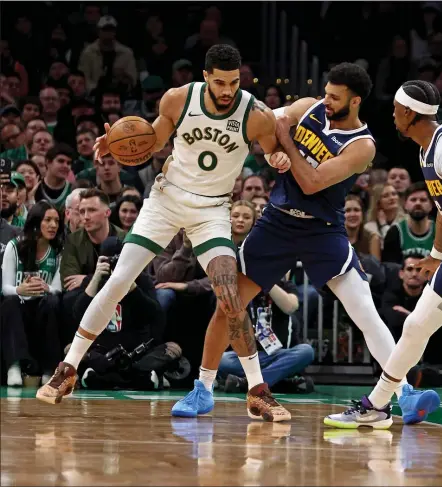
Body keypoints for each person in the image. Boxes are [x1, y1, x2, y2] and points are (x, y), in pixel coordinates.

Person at [37, 44, 292, 422]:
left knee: (229, 293)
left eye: (233, 83)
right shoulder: (177, 99)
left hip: (211, 210)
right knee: (119, 279)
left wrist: (278, 158)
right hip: (166, 200)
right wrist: (117, 148)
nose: (227, 90)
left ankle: (257, 391)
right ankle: (68, 368)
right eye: (220, 82)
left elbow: (271, 150)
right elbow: (153, 141)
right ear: (205, 77)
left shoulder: (255, 114)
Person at [173, 62, 412, 421]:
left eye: (335, 97)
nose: (326, 100)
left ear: (356, 101)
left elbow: (312, 181)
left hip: (322, 230)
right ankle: (202, 389)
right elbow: (266, 122)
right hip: (277, 224)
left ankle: (403, 390)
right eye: (326, 93)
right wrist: (273, 151)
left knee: (364, 311)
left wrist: (286, 141)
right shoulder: (308, 107)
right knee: (228, 304)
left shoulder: (363, 146)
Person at [324, 80, 442, 429]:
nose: (393, 116)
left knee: (416, 327)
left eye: (396, 110)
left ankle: (377, 404)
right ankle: (377, 405)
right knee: (415, 327)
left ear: (410, 113)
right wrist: (438, 255)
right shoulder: (427, 150)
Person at [1, 201, 63, 386]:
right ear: (36, 222)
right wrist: (20, 290)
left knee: (52, 302)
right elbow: (6, 287)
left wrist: (46, 288)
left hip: (43, 309)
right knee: (10, 301)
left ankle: (48, 369)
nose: (53, 225)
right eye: (48, 220)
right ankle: (14, 367)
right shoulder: (14, 246)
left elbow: (58, 288)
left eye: (57, 221)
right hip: (20, 308)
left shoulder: (58, 250)